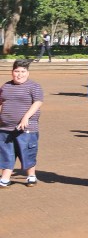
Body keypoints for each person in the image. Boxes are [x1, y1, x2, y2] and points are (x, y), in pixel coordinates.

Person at [0, 59, 43, 187]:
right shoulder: (6, 86)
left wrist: (26, 118)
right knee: (6, 152)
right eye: (16, 71)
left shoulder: (34, 86)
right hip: (5, 128)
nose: (19, 74)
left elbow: (38, 102)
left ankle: (31, 176)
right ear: (12, 72)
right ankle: (5, 178)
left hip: (27, 128)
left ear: (27, 73)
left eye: (23, 71)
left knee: (27, 151)